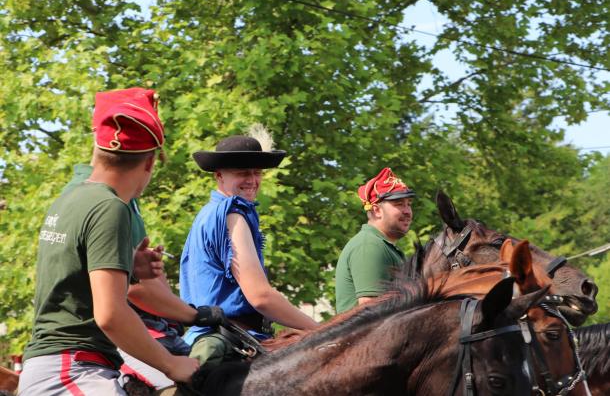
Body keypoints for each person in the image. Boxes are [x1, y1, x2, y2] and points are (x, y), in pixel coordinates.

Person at [18, 88, 200, 395]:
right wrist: (171, 364)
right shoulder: (110, 208)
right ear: (149, 163)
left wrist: (127, 263)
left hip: (61, 367)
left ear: (97, 147)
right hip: (71, 370)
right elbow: (111, 315)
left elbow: (73, 275)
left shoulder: (73, 197)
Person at [180, 127, 318, 369]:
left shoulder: (210, 213)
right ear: (219, 176)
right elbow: (260, 296)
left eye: (257, 173)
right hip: (229, 344)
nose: (253, 180)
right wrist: (322, 330)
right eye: (243, 173)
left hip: (226, 337)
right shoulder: (231, 213)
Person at [335, 167, 415, 313]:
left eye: (408, 204)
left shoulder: (382, 245)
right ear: (377, 210)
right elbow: (371, 313)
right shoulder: (370, 246)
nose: (407, 211)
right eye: (399, 204)